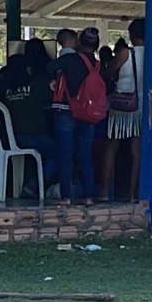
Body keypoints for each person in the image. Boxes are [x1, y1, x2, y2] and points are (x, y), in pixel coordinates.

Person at [49, 27, 104, 204]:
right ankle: (88, 197)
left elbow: (49, 67)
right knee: (85, 155)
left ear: (79, 42)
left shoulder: (70, 59)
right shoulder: (98, 65)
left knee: (66, 154)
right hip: (87, 113)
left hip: (66, 110)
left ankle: (66, 197)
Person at [0, 42, 57, 192]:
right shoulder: (36, 86)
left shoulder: (1, 89)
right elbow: (50, 103)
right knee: (60, 153)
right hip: (34, 136)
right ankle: (34, 185)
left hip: (8, 138)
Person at [102, 18, 145, 203]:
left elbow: (109, 72)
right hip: (141, 105)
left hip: (121, 106)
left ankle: (104, 192)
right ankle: (133, 194)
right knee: (137, 151)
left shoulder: (125, 53)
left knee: (111, 149)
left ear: (133, 35)